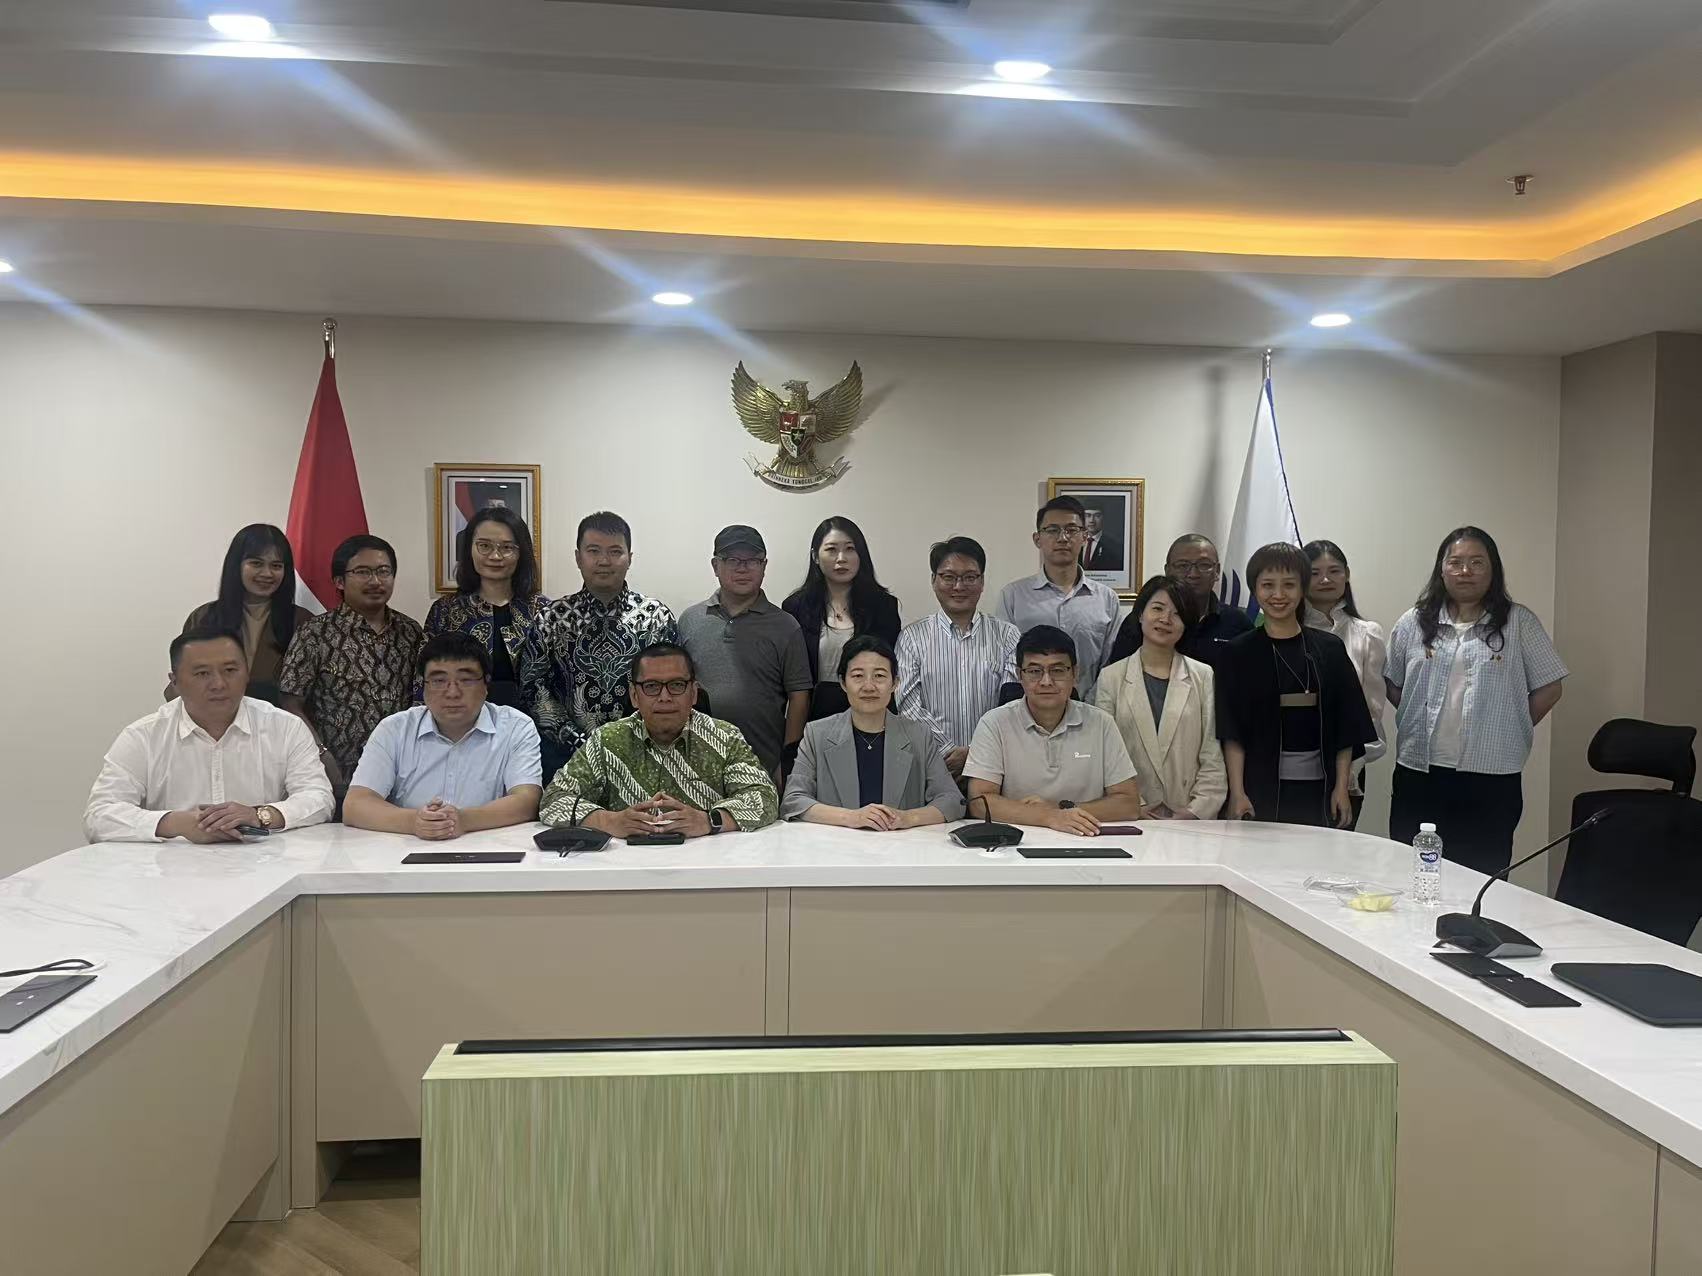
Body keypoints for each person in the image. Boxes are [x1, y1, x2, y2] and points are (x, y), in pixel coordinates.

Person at [1385, 526, 1567, 874]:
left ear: (1492, 569)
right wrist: (1417, 718)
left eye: (1476, 562)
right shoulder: (1413, 622)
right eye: (1455, 562)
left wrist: (1511, 723)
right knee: (1412, 872)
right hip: (1419, 772)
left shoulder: (1518, 623)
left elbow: (1550, 687)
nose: (1465, 571)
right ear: (1441, 569)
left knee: (1482, 875)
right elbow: (1394, 685)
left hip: (1491, 779)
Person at [85, 628, 332, 843]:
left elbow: (319, 798)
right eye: (202, 673)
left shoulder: (286, 727)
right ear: (174, 681)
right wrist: (176, 823)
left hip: (263, 864)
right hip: (170, 870)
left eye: (230, 670)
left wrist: (260, 815)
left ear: (247, 673)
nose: (219, 684)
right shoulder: (143, 736)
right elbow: (98, 815)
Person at [538, 642, 779, 837]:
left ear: (694, 693)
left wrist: (710, 821)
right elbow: (553, 800)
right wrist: (609, 821)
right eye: (652, 686)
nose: (665, 697)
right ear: (634, 695)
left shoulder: (725, 736)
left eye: (677, 685)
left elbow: (765, 797)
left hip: (705, 867)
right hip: (626, 867)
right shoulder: (607, 740)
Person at [1215, 543, 1377, 829]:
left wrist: (1341, 787)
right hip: (1258, 789)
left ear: (1303, 589)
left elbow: (1347, 727)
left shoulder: (1330, 648)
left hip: (1321, 790)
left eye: (1289, 585)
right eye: (1268, 585)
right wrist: (1237, 792)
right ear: (1255, 590)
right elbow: (1232, 733)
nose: (1278, 595)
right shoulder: (1238, 653)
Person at [518, 511, 677, 777]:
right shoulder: (551, 618)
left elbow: (670, 688)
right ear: (578, 557)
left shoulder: (655, 617)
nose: (604, 561)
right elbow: (534, 690)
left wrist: (630, 741)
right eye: (594, 551)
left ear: (629, 558)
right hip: (567, 760)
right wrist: (579, 742)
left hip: (644, 756)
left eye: (615, 552)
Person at [343, 633, 542, 839]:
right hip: (407, 847)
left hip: (489, 846)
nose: (452, 692)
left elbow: (527, 801)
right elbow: (355, 804)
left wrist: (464, 820)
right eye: (439, 680)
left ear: (486, 685)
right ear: (423, 686)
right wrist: (415, 822)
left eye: (466, 680)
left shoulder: (516, 727)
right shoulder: (394, 729)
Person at [279, 535, 425, 795]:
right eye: (363, 572)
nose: (375, 581)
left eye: (384, 571)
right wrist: (319, 754)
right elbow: (290, 703)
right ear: (339, 581)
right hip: (337, 774)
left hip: (403, 771)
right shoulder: (315, 633)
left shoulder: (411, 632)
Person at [963, 625, 1142, 835]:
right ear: (1019, 675)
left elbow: (1128, 804)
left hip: (1086, 838)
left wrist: (1061, 810)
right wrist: (1048, 817)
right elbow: (979, 802)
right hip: (1018, 841)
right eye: (1034, 671)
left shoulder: (1101, 723)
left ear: (1075, 674)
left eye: (1057, 671)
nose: (1046, 681)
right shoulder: (994, 723)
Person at [782, 636, 965, 828]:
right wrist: (851, 818)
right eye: (858, 676)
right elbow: (794, 800)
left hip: (899, 842)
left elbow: (952, 800)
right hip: (837, 844)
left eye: (879, 676)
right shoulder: (817, 734)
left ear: (894, 683)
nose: (869, 687)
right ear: (843, 683)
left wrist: (907, 818)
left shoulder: (919, 735)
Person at [676, 525, 812, 780]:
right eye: (732, 560)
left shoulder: (785, 626)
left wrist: (786, 762)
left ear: (764, 566)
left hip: (763, 765)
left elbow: (799, 696)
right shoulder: (689, 620)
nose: (742, 568)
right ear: (715, 566)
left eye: (752, 561)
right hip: (696, 765)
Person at [1092, 576, 1228, 820]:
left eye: (1177, 614)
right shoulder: (1111, 677)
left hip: (1190, 817)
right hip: (1133, 813)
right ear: (1140, 614)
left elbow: (1212, 754)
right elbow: (1105, 754)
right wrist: (1133, 806)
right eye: (1157, 609)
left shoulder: (1202, 675)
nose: (1166, 619)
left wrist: (1196, 811)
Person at [895, 536, 1020, 780]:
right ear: (934, 580)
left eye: (969, 577)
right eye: (949, 577)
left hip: (995, 766)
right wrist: (947, 752)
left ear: (982, 582)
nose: (959, 586)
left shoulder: (1008, 636)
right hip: (931, 766)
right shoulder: (912, 637)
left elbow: (1011, 706)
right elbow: (908, 706)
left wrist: (976, 753)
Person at [994, 496, 1120, 699]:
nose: (1062, 538)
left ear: (1084, 537)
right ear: (1037, 539)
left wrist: (1086, 707)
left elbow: (1110, 667)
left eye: (1071, 530)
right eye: (1052, 530)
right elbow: (1007, 665)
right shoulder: (1013, 596)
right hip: (1028, 712)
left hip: (1089, 710)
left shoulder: (1107, 599)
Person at [423, 506, 548, 707]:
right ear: (469, 550)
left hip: (533, 721)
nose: (495, 556)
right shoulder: (445, 610)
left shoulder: (542, 610)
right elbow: (425, 678)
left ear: (521, 553)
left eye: (507, 547)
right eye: (484, 546)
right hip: (462, 718)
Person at [782, 516, 902, 723]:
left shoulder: (883, 607)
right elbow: (794, 679)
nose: (841, 558)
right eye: (831, 549)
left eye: (849, 549)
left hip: (871, 714)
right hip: (815, 717)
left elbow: (888, 668)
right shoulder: (795, 608)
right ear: (815, 556)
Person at [173, 524, 311, 704]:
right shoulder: (204, 617)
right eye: (256, 563)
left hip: (277, 719)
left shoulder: (302, 621)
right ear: (236, 566)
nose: (267, 573)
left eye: (276, 566)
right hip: (213, 715)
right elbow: (186, 678)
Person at [1304, 539, 1388, 829]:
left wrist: (1351, 770)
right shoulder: (1287, 631)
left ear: (1347, 574)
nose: (1325, 580)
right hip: (1293, 763)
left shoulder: (1367, 634)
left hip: (1349, 765)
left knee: (1338, 849)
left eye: (1334, 571)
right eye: (1314, 573)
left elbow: (1371, 711)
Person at [1111, 534, 1254, 669]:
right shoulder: (1144, 621)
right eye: (1182, 565)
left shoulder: (1238, 623)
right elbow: (1120, 673)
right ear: (1167, 571)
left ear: (1217, 571)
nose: (1193, 574)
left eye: (1204, 565)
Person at [1079, 504, 1124, 573]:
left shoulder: (1115, 545)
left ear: (1103, 518)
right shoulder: (1075, 541)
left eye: (1097, 516)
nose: (1092, 520)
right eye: (1087, 515)